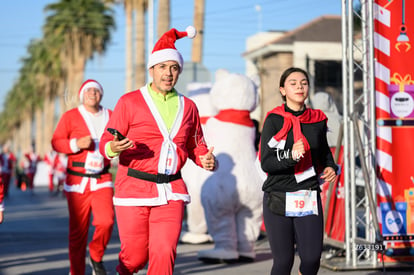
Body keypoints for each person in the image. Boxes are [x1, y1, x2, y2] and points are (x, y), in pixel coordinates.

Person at [99, 26, 217, 275]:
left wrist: (206, 159)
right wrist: (112, 147)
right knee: (135, 257)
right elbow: (105, 142)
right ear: (151, 70)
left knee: (164, 254)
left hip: (171, 191)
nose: (168, 73)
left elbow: (196, 145)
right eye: (163, 67)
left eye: (174, 68)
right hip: (133, 189)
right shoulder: (129, 102)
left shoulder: (189, 107)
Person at [259, 67, 337, 275]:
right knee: (283, 262)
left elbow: (324, 154)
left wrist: (330, 166)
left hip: (307, 194)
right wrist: (290, 156)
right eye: (293, 83)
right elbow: (266, 162)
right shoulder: (273, 119)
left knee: (311, 259)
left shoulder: (317, 119)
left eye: (303, 83)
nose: (299, 87)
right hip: (278, 196)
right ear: (283, 90)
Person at [51, 79, 114, 275]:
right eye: (88, 90)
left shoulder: (110, 115)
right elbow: (56, 142)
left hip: (102, 178)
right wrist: (76, 143)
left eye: (96, 90)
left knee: (106, 222)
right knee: (78, 232)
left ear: (101, 94)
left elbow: (121, 137)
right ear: (82, 95)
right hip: (77, 180)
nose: (92, 93)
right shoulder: (71, 116)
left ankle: (95, 255)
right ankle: (76, 271)